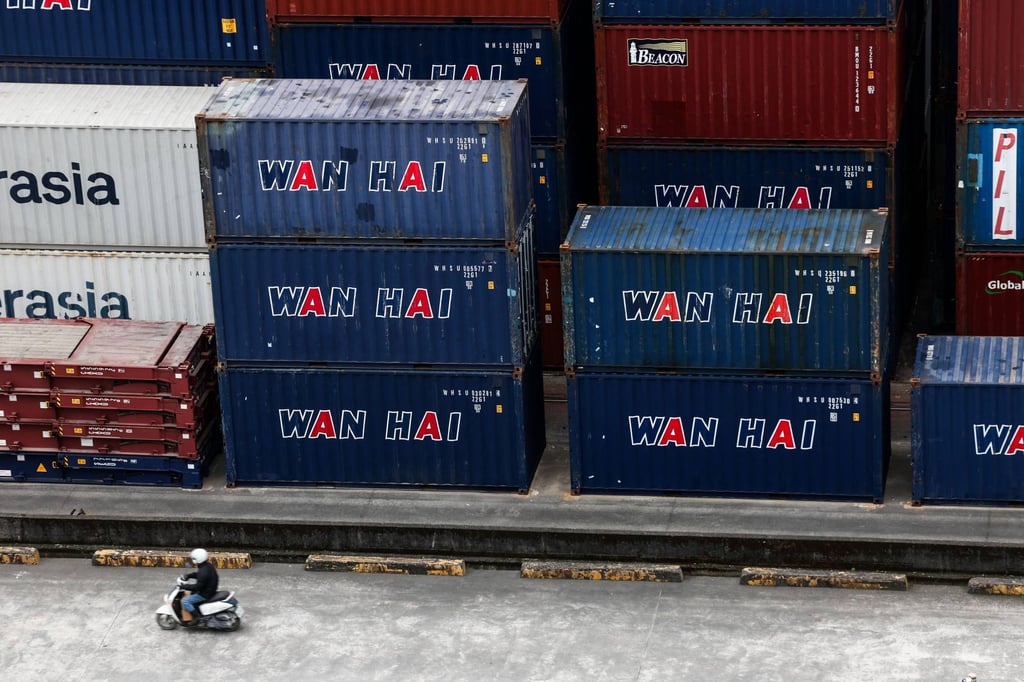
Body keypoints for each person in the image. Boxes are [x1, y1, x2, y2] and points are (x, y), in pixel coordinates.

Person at [181, 548, 218, 625]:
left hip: (205, 594)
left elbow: (197, 587)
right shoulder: (207, 566)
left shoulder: (203, 571)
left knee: (186, 601)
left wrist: (184, 586)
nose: (193, 560)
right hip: (210, 589)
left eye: (194, 558)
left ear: (198, 559)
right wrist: (188, 576)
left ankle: (196, 617)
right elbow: (198, 575)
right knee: (191, 593)